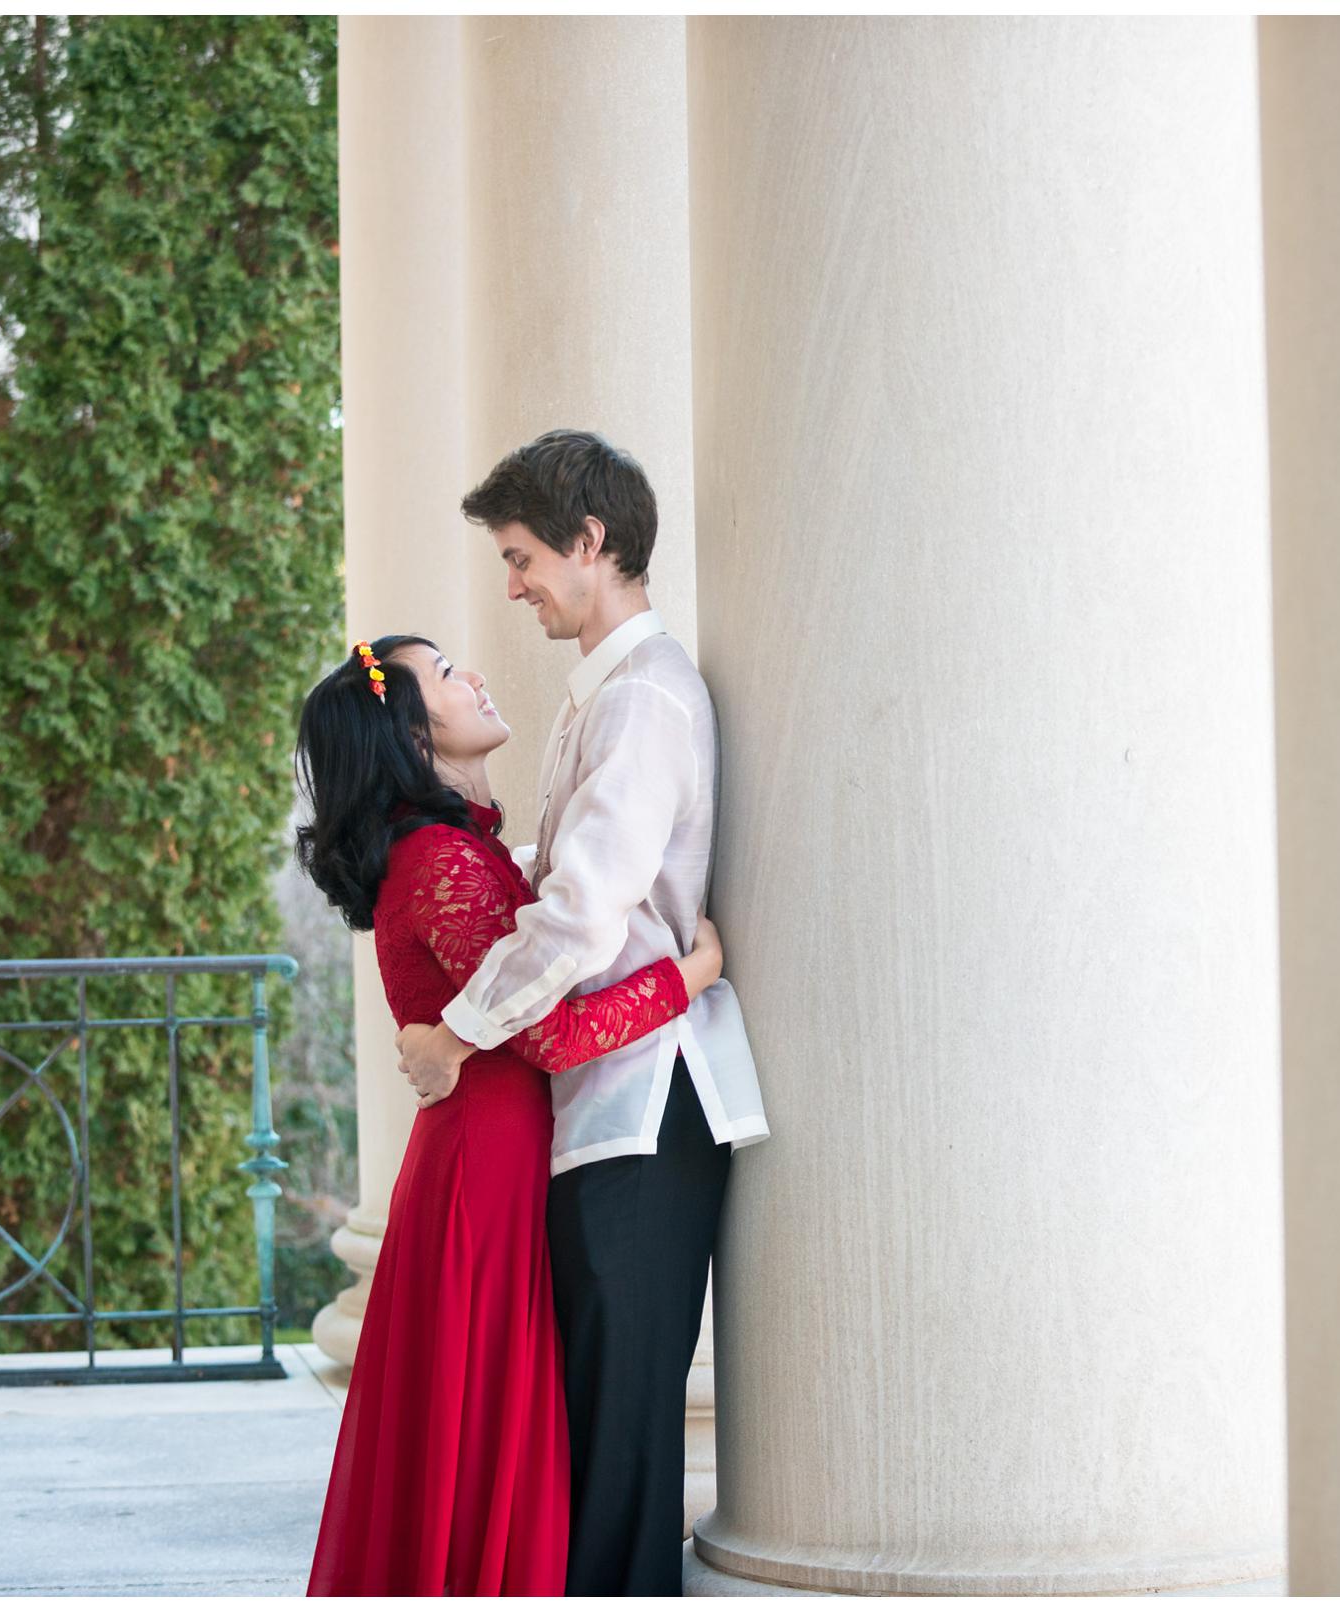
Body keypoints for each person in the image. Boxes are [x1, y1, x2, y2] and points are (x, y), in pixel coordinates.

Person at [395, 430, 768, 1596]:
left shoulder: (645, 701)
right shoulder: (593, 703)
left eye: (521, 557)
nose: (513, 585)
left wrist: (457, 1031)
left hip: (645, 1109)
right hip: (604, 1106)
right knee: (600, 1442)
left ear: (590, 542)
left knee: (622, 1450)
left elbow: (582, 917)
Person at [294, 631, 724, 1596]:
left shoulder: (466, 848)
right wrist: (690, 976)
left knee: (500, 1425)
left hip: (501, 1155)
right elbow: (557, 1036)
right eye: (445, 673)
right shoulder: (438, 859)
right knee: (491, 1419)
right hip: (485, 1173)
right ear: (411, 730)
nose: (474, 674)